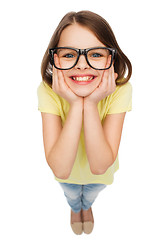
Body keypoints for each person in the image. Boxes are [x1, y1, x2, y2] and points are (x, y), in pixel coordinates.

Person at [37, 10, 132, 235]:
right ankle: (74, 207)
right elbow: (60, 169)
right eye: (69, 55)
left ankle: (86, 206)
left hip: (99, 177)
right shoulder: (47, 91)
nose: (82, 65)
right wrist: (74, 102)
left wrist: (89, 104)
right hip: (67, 177)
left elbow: (100, 167)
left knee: (89, 194)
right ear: (55, 59)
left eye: (96, 54)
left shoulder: (121, 91)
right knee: (71, 194)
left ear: (110, 58)